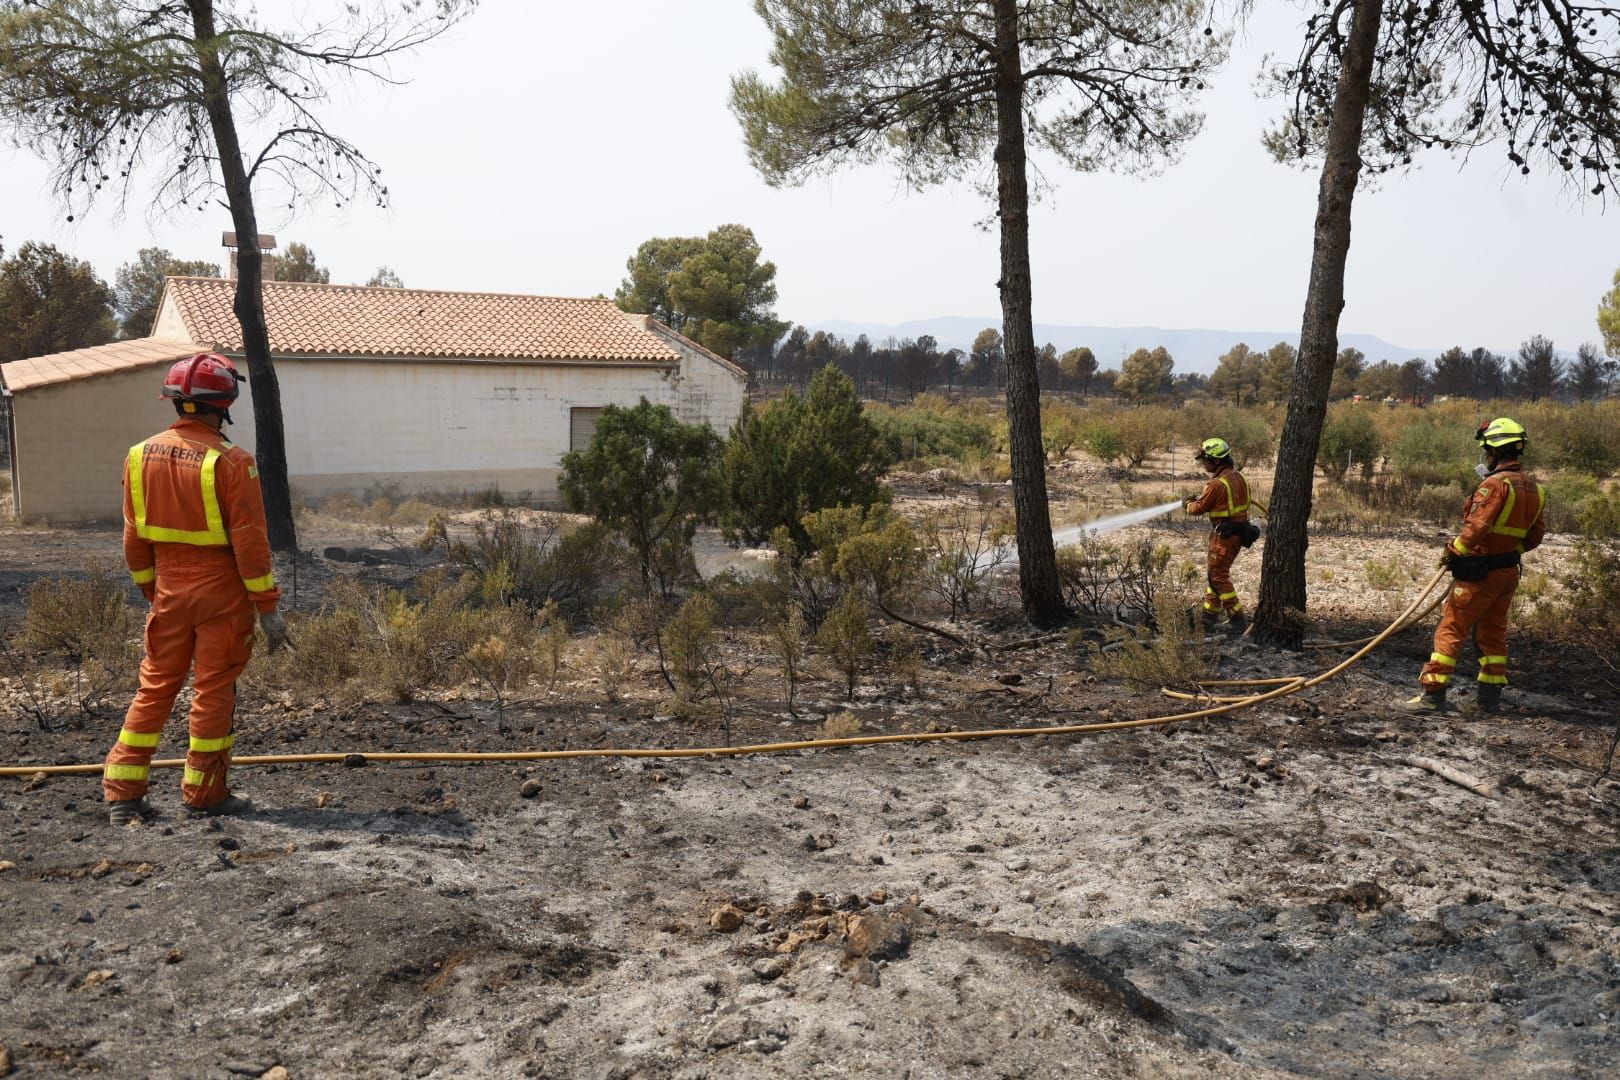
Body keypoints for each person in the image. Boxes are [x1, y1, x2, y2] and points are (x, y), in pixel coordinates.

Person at [103, 353, 289, 825]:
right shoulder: (232, 462)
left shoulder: (138, 455)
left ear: (175, 400)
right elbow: (250, 545)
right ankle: (204, 793)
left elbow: (133, 537)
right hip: (221, 596)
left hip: (167, 589)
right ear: (225, 401)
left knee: (155, 687)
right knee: (213, 690)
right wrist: (268, 608)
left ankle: (123, 794)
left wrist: (153, 588)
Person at [1400, 417, 1545, 716]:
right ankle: (1489, 701)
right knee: (1492, 633)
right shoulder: (1534, 489)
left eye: (1487, 450)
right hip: (1507, 574)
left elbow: (1477, 527)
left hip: (1480, 573)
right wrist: (1506, 553)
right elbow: (1535, 537)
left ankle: (1432, 695)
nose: (1486, 457)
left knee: (1452, 628)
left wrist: (1455, 550)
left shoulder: (1494, 485)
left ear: (1494, 450)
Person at [1183, 437, 1253, 631]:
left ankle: (1237, 618)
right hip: (1238, 535)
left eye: (1205, 460)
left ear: (1215, 460)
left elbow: (1197, 509)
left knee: (1218, 576)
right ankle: (1208, 618)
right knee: (1215, 575)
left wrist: (1187, 504)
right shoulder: (1239, 477)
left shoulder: (1216, 484)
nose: (1203, 464)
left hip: (1223, 537)